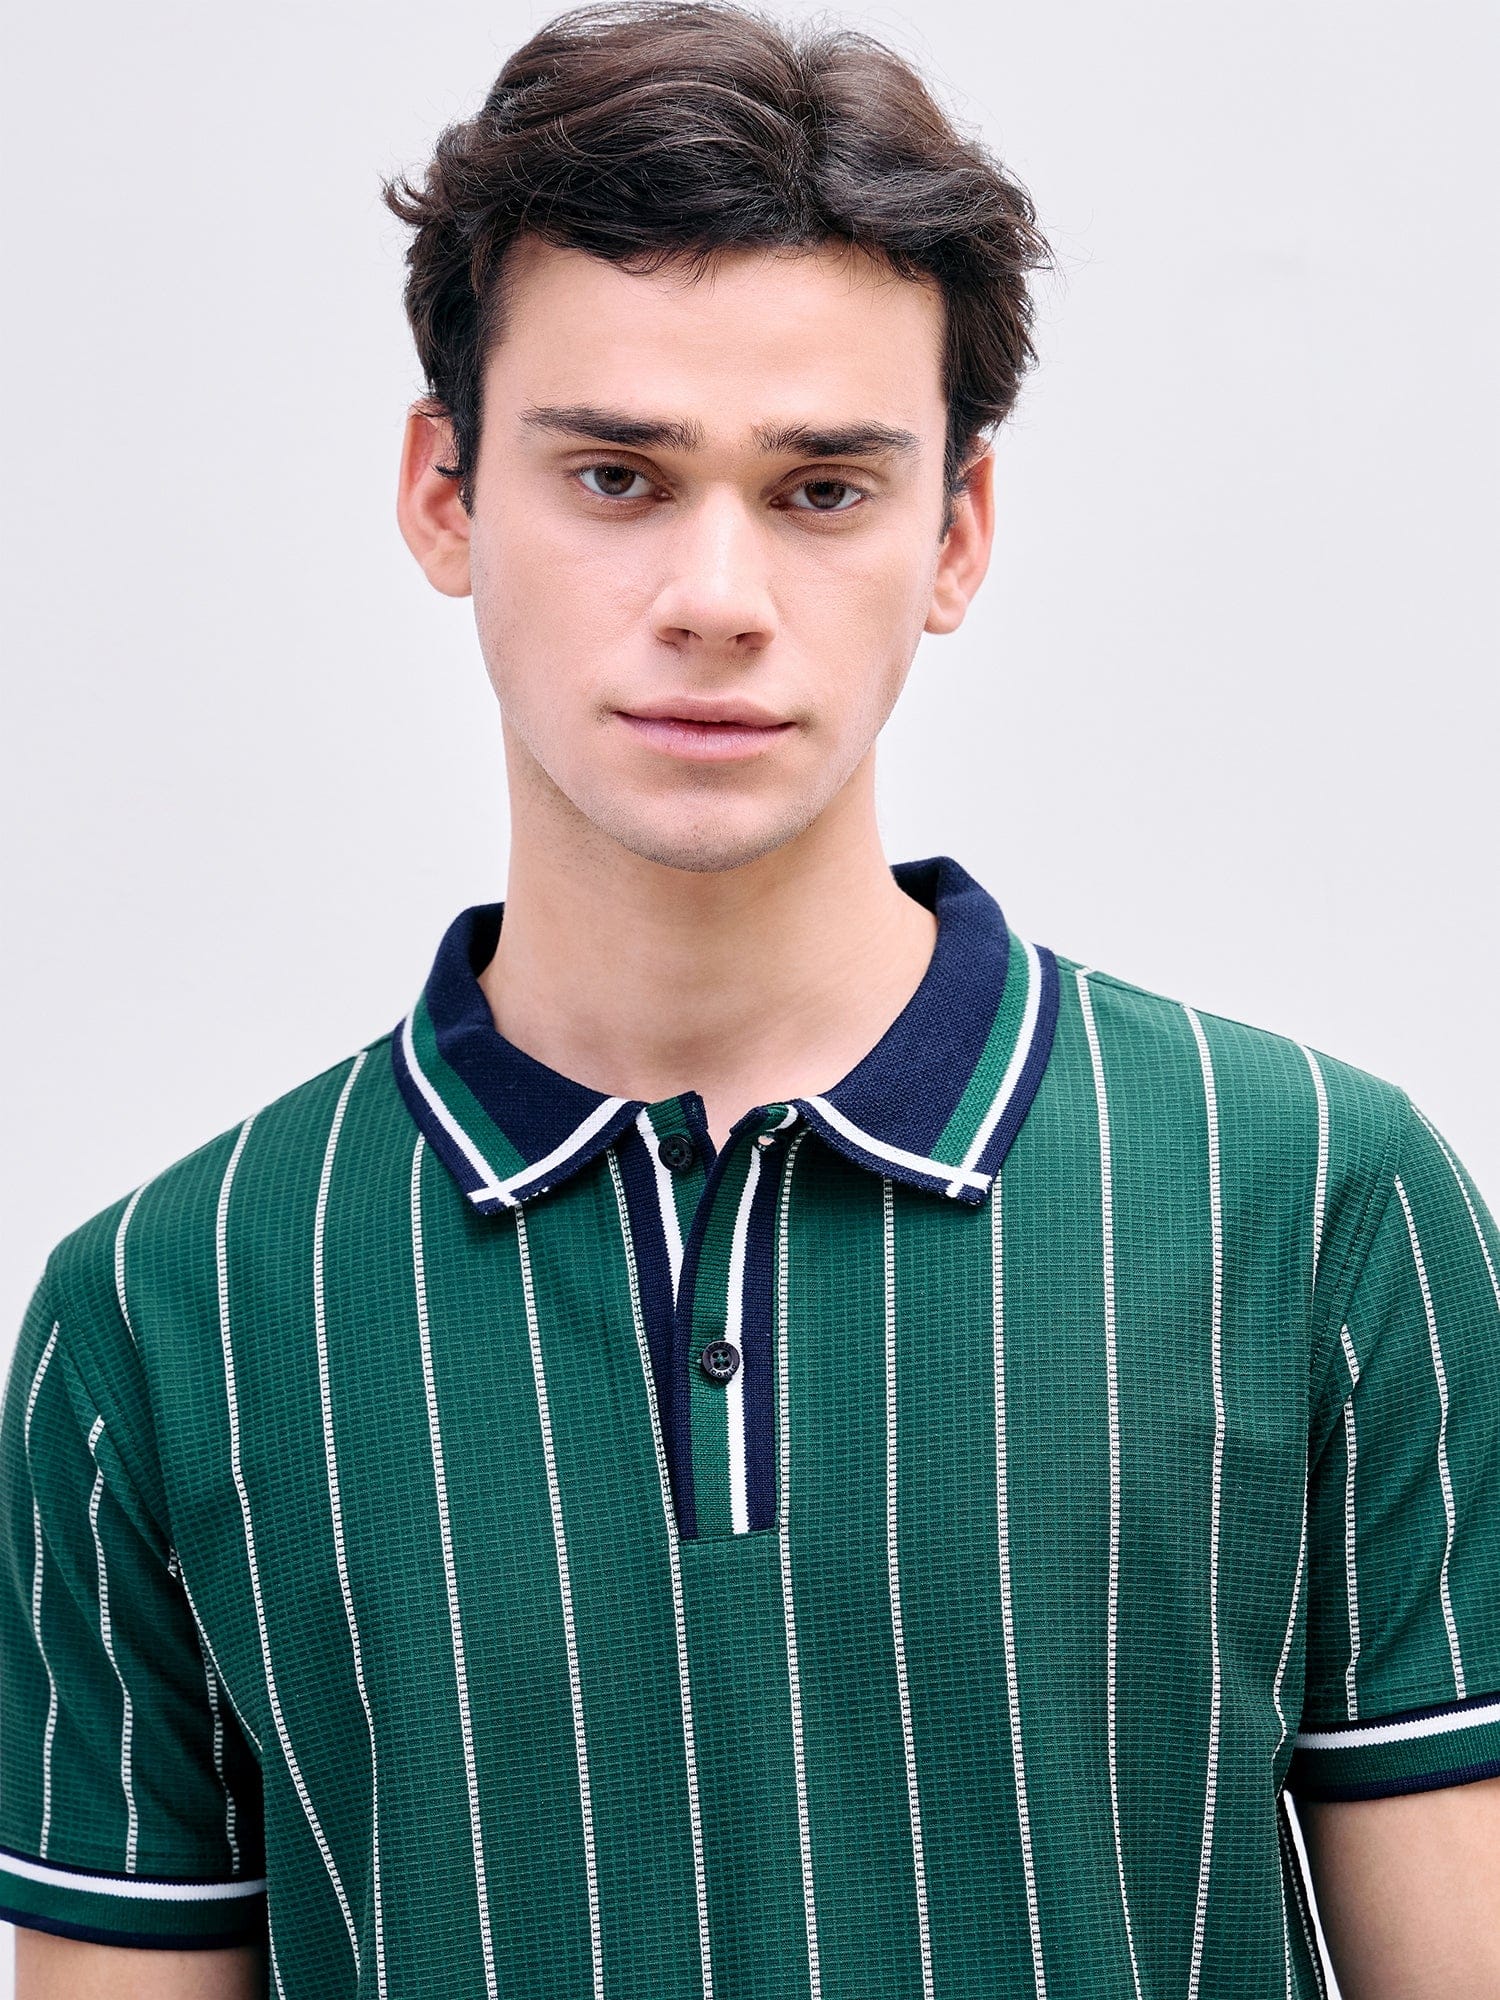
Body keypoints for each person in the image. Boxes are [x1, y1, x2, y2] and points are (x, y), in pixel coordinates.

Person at [3, 2, 1497, 1994]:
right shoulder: (164, 1312)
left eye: (822, 490)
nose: (716, 595)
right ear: (445, 493)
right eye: (618, 475)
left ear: (956, 533)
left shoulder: (1312, 1203)